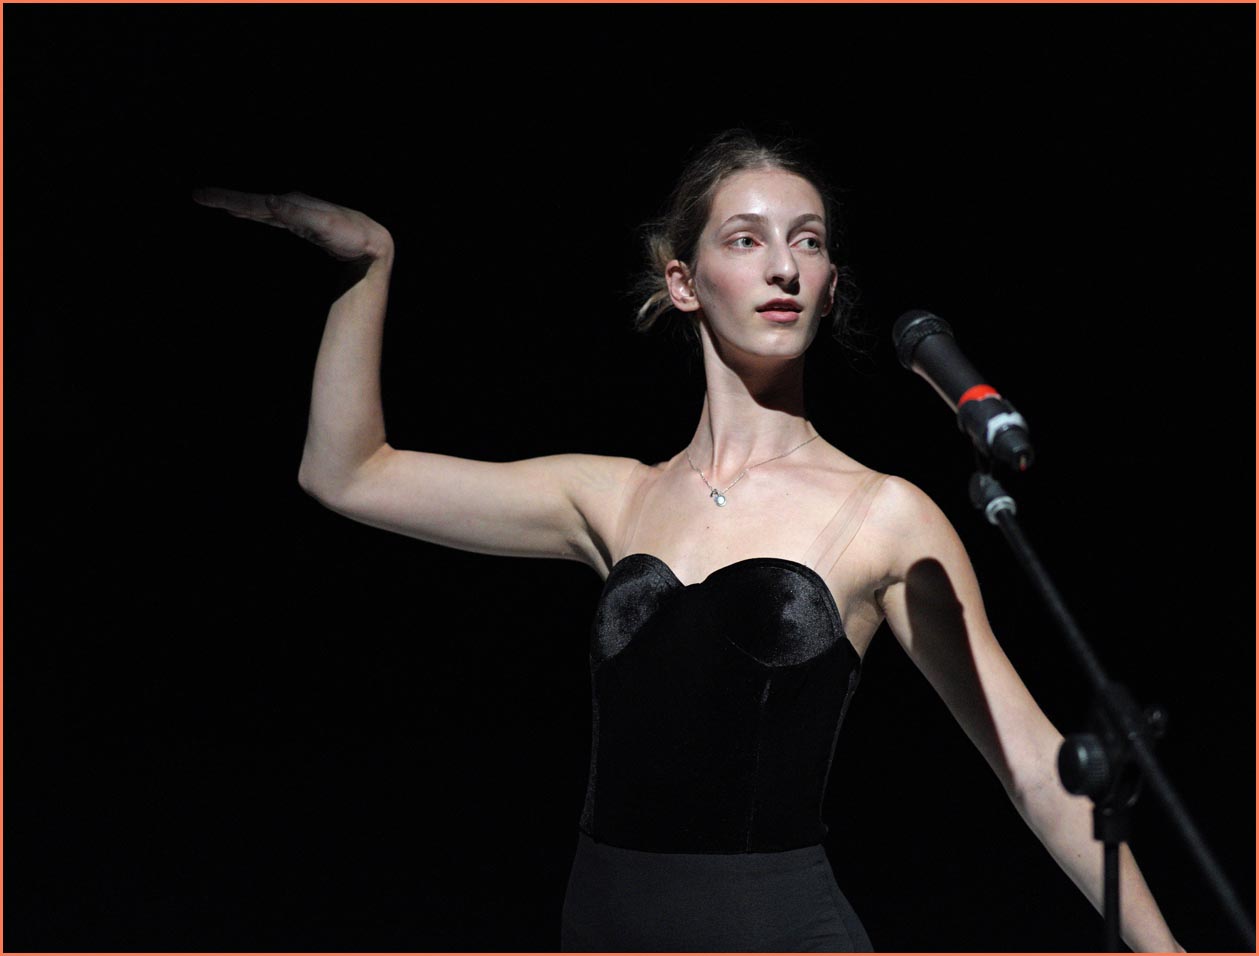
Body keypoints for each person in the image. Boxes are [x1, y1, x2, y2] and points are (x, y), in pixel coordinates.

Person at [192, 130, 1185, 953]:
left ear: (829, 282)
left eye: (806, 242)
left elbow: (1032, 765)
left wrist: (1164, 950)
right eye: (746, 240)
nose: (783, 266)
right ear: (682, 280)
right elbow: (348, 472)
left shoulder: (883, 511)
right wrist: (370, 262)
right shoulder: (613, 496)